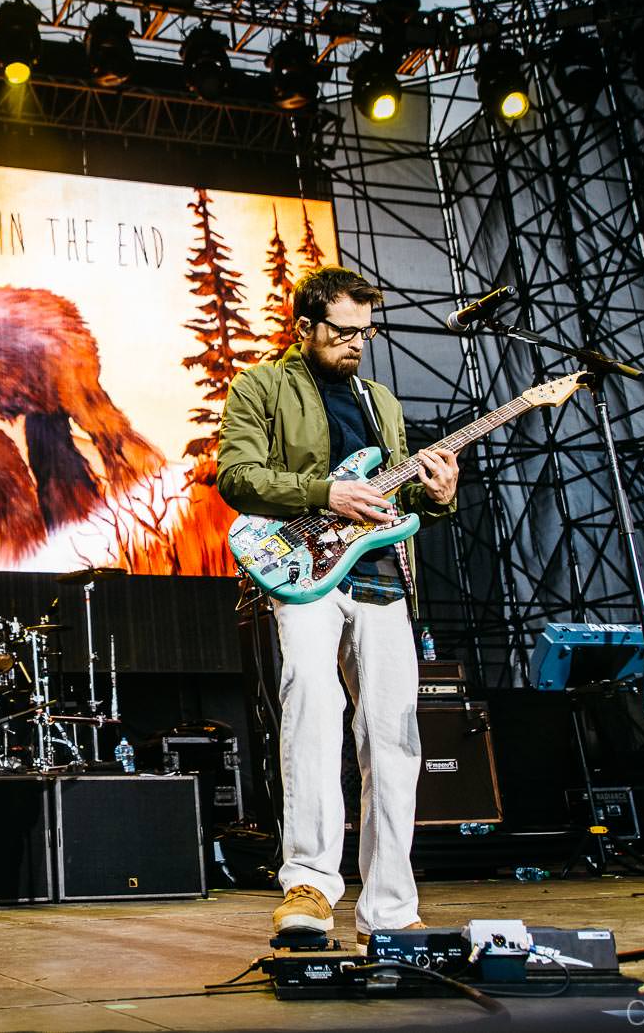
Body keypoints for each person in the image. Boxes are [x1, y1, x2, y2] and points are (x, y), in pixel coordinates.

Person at [216, 265, 460, 941]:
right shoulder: (262, 385)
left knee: (394, 740)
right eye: (343, 331)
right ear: (304, 326)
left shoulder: (379, 399)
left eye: (366, 332)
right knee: (313, 711)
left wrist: (436, 498)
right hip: (303, 572)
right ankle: (309, 888)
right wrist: (325, 493)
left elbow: (397, 498)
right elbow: (237, 476)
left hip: (380, 575)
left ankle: (388, 907)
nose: (356, 343)